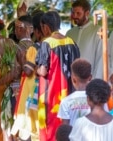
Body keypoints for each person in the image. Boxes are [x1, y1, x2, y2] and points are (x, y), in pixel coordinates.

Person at [35, 11, 80, 141]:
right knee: (68, 125)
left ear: (45, 27)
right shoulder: (72, 42)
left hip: (51, 94)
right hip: (70, 92)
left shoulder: (47, 43)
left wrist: (36, 69)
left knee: (50, 126)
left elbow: (43, 71)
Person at [10, 14, 41, 141]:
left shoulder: (15, 48)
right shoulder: (39, 47)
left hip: (18, 90)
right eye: (16, 28)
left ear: (27, 29)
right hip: (36, 91)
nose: (16, 31)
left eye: (18, 28)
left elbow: (14, 72)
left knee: (20, 127)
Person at [66, 0, 103, 79]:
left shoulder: (98, 31)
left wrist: (95, 80)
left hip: (90, 80)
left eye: (78, 13)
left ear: (87, 13)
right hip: (72, 80)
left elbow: (101, 58)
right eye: (73, 13)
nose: (74, 16)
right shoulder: (69, 33)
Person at [57, 58, 91, 126]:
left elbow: (65, 128)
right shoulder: (98, 100)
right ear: (90, 78)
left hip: (73, 136)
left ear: (73, 79)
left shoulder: (66, 102)